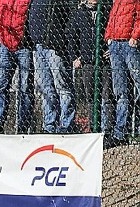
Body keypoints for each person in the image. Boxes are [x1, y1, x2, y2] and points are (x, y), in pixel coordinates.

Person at [29, 0, 78, 133]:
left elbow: (71, 17)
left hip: (56, 46)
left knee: (62, 87)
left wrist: (62, 40)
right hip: (37, 46)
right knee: (46, 89)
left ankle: (66, 125)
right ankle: (49, 125)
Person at [68, 0, 113, 135]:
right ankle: (93, 128)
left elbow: (113, 29)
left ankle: (108, 129)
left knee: (107, 95)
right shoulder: (79, 14)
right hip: (87, 62)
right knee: (90, 97)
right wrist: (75, 57)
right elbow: (72, 35)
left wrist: (110, 49)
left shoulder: (106, 11)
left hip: (104, 62)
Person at [0, 0, 34, 134]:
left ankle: (23, 126)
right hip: (5, 42)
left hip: (25, 44)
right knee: (1, 85)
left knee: (25, 87)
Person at [103, 0, 140, 146]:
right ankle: (120, 133)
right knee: (120, 91)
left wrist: (135, 37)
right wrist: (109, 37)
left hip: (129, 44)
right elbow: (113, 17)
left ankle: (136, 129)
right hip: (115, 44)